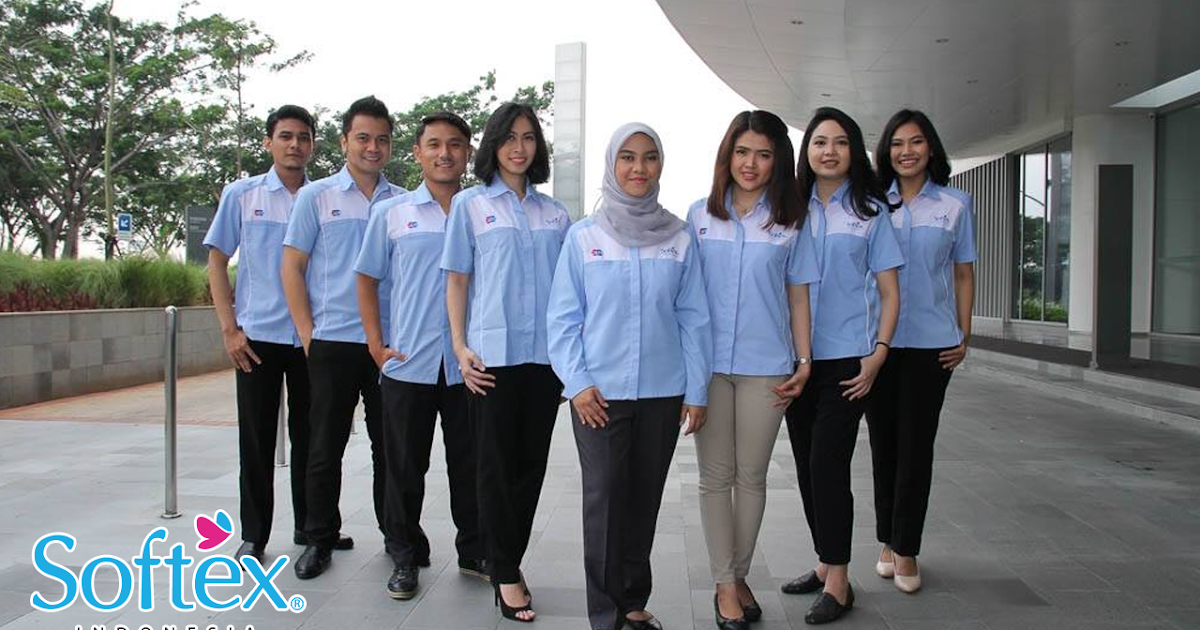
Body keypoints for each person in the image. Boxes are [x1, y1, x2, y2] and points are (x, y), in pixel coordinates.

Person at [548, 122, 711, 630]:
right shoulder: (584, 237)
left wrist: (697, 390)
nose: (639, 168)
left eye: (649, 157)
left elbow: (694, 317)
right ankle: (605, 614)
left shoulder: (679, 236)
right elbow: (562, 319)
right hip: (599, 396)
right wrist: (577, 384)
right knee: (604, 499)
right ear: (611, 164)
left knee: (644, 499)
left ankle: (633, 601)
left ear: (661, 165)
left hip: (663, 392)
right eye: (628, 157)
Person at [440, 102, 570, 622]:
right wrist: (459, 346)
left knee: (529, 469)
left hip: (544, 360)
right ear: (493, 145)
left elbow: (569, 292)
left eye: (529, 137)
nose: (519, 147)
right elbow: (457, 280)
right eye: (509, 137)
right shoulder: (470, 205)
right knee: (494, 469)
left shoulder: (555, 214)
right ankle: (506, 571)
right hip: (490, 359)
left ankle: (507, 560)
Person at [687, 111, 817, 628]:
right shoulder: (700, 216)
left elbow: (799, 296)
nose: (751, 164)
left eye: (763, 154)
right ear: (728, 155)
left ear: (777, 161)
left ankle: (737, 574)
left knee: (752, 476)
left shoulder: (791, 220)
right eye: (742, 152)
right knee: (714, 478)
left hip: (768, 367)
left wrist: (804, 361)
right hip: (710, 368)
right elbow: (685, 298)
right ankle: (727, 585)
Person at [354, 112, 487, 600]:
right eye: (434, 144)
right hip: (409, 363)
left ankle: (474, 552)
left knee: (470, 465)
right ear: (417, 152)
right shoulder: (392, 213)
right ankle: (404, 556)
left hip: (468, 367)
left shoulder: (482, 212)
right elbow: (366, 279)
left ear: (468, 153)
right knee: (404, 468)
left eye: (455, 144)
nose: (444, 153)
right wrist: (375, 344)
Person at [779, 107, 904, 625]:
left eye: (840, 142)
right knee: (806, 464)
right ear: (806, 152)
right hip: (797, 360)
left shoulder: (871, 212)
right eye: (819, 142)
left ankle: (840, 582)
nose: (828, 151)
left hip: (849, 362)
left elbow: (891, 292)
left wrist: (879, 353)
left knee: (827, 465)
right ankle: (824, 560)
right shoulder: (789, 209)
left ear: (854, 151)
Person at [282, 95, 405, 580]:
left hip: (387, 347)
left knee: (390, 448)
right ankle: (319, 538)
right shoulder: (316, 197)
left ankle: (396, 537)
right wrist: (307, 334)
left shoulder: (402, 203)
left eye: (382, 139)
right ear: (344, 142)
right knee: (323, 446)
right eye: (363, 138)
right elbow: (292, 266)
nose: (373, 147)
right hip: (332, 342)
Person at [866, 109, 976, 594]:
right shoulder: (871, 206)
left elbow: (964, 272)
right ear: (886, 152)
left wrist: (963, 333)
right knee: (883, 445)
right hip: (878, 345)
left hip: (932, 346)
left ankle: (906, 546)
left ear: (930, 147)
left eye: (915, 142)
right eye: (897, 143)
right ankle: (886, 540)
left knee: (916, 447)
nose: (906, 151)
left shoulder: (956, 204)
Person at [203, 105, 317, 565]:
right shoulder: (242, 194)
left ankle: (312, 528)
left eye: (303, 137)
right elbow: (216, 261)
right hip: (258, 338)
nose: (295, 144)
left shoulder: (320, 197)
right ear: (269, 142)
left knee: (312, 440)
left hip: (309, 338)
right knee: (256, 441)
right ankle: (254, 535)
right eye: (286, 136)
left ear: (313, 145)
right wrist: (229, 329)